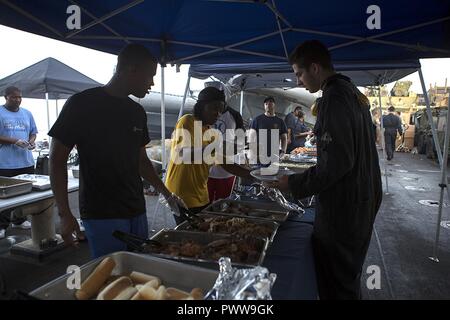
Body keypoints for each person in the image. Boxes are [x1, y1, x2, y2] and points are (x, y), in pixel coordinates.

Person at [49, 44, 185, 258]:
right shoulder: (81, 104)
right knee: (112, 275)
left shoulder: (136, 112)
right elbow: (57, 160)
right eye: (149, 76)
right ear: (131, 70)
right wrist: (64, 214)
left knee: (140, 267)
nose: (152, 83)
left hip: (136, 208)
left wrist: (168, 195)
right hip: (102, 212)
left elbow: (141, 161)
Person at [269, 40, 382, 299]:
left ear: (315, 68)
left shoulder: (334, 98)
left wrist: (293, 184)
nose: (298, 81)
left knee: (337, 284)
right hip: (361, 198)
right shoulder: (352, 93)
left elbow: (336, 164)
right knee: (346, 279)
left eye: (299, 73)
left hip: (345, 207)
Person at [165, 87, 252, 225]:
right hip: (182, 195)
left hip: (201, 194)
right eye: (214, 108)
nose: (218, 113)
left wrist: (254, 175)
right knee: (192, 235)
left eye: (220, 110)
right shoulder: (187, 121)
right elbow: (183, 154)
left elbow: (225, 163)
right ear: (201, 106)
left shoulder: (210, 132)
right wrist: (218, 146)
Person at [0, 86, 37, 238]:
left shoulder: (27, 113)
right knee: (5, 196)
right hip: (5, 163)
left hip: (26, 161)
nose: (17, 100)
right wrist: (14, 141)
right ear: (5, 97)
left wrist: (31, 142)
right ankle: (2, 225)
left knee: (25, 194)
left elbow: (33, 132)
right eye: (13, 97)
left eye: (20, 97)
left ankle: (19, 220)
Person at [207, 101, 245, 202]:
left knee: (223, 205)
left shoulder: (234, 115)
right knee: (205, 205)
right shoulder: (203, 114)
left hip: (227, 172)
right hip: (205, 172)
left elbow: (241, 140)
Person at [248, 96, 288, 165]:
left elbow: (284, 138)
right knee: (258, 173)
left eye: (270, 102)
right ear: (264, 106)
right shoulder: (257, 120)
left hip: (274, 156)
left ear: (274, 105)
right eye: (266, 103)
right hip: (259, 156)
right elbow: (251, 136)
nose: (268, 104)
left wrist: (283, 151)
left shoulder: (280, 121)